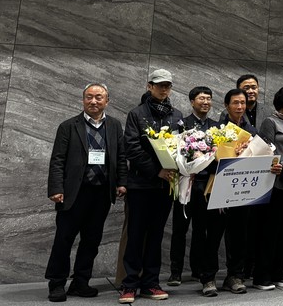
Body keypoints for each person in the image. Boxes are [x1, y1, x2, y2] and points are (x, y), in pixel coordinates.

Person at [45, 83, 127, 302]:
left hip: (101, 194)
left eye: (98, 97)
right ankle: (57, 283)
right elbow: (57, 159)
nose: (93, 101)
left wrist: (121, 182)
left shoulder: (115, 126)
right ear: (83, 100)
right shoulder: (68, 126)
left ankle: (81, 282)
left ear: (107, 101)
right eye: (89, 97)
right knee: (63, 239)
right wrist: (56, 188)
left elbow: (120, 157)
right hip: (73, 193)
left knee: (91, 241)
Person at [119, 70, 184, 303]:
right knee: (136, 234)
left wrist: (183, 167)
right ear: (149, 86)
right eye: (159, 85)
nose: (164, 89)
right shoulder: (136, 114)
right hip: (140, 184)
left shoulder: (177, 115)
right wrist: (156, 170)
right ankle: (129, 284)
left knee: (156, 235)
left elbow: (183, 147)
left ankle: (151, 283)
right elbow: (132, 148)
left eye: (167, 85)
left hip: (165, 187)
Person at [200, 89, 259, 296]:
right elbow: (204, 160)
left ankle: (235, 276)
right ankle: (208, 278)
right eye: (235, 103)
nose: (240, 107)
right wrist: (227, 158)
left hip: (242, 189)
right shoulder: (216, 130)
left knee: (239, 235)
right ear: (226, 106)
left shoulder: (252, 130)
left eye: (243, 103)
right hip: (218, 187)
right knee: (213, 235)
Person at [252, 86, 283, 289]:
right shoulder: (270, 122)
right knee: (269, 230)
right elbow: (267, 151)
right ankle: (261, 275)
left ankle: (278, 272)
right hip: (275, 185)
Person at [167, 86, 216, 287]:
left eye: (208, 99)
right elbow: (173, 151)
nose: (205, 102)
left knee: (201, 229)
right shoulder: (181, 124)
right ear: (192, 101)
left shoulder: (216, 127)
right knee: (180, 229)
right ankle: (175, 272)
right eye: (201, 98)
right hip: (185, 182)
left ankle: (197, 269)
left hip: (206, 185)